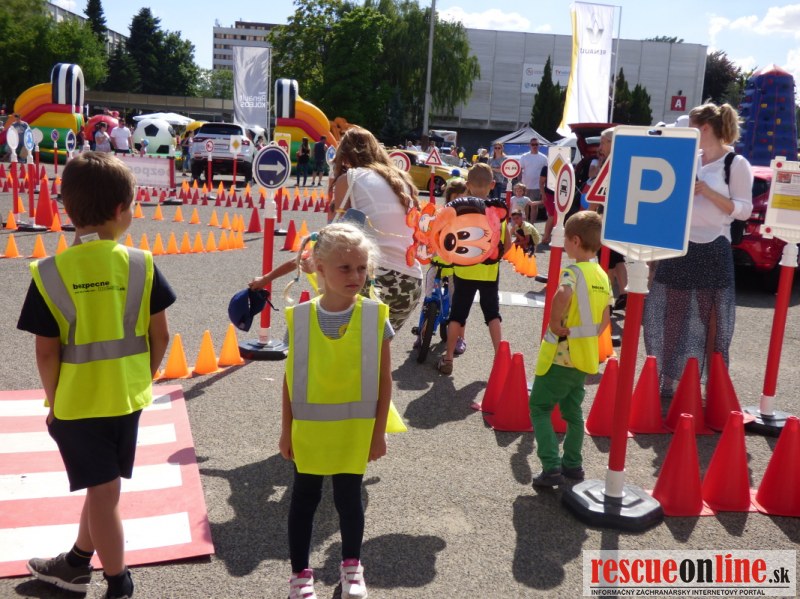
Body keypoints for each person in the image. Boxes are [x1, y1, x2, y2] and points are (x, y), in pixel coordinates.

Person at [17, 151, 176, 598]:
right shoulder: (141, 264)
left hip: (77, 405)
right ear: (122, 209)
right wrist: (141, 378)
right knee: (104, 488)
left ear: (68, 208)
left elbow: (46, 352)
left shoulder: (50, 273)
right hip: (126, 399)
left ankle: (118, 582)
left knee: (102, 491)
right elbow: (161, 335)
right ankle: (76, 563)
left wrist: (55, 403)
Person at [279, 222, 393, 599]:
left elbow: (384, 381)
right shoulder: (299, 319)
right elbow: (290, 381)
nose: (355, 276)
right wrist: (285, 431)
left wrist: (379, 433)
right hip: (310, 434)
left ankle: (351, 568)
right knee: (304, 500)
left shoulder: (375, 317)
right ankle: (300, 575)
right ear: (319, 268)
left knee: (349, 500)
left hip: (353, 433)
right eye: (345, 268)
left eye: (361, 268)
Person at [643, 103, 753, 397]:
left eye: (690, 127)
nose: (686, 133)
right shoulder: (690, 159)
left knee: (712, 320)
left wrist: (709, 192)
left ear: (704, 128)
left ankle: (712, 386)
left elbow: (744, 209)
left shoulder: (735, 163)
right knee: (671, 315)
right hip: (680, 244)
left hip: (715, 245)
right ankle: (667, 381)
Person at [529, 211, 610, 487]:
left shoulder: (573, 272)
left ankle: (551, 466)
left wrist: (554, 322)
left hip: (561, 355)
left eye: (565, 238)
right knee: (573, 412)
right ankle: (573, 464)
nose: (563, 243)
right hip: (584, 357)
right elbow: (606, 316)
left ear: (575, 241)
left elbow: (562, 294)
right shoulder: (601, 274)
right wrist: (590, 333)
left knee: (539, 407)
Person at [330, 126, 423, 332]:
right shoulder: (400, 178)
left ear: (345, 156)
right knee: (377, 347)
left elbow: (334, 234)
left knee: (347, 341)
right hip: (411, 283)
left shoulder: (350, 178)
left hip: (376, 279)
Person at [437, 163, 506, 375]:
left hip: (464, 271)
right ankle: (500, 358)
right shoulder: (496, 212)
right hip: (489, 273)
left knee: (457, 315)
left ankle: (448, 358)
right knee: (492, 314)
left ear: (467, 185)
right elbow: (507, 244)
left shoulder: (461, 211)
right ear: (492, 185)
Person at [519, 138, 548, 222]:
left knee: (534, 206)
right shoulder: (524, 156)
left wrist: (544, 186)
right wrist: (519, 183)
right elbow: (520, 170)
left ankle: (532, 224)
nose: (534, 146)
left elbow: (546, 173)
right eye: (533, 144)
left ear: (539, 145)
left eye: (536, 144)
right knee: (524, 206)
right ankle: (524, 223)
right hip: (525, 186)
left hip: (537, 186)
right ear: (529, 145)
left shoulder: (543, 158)